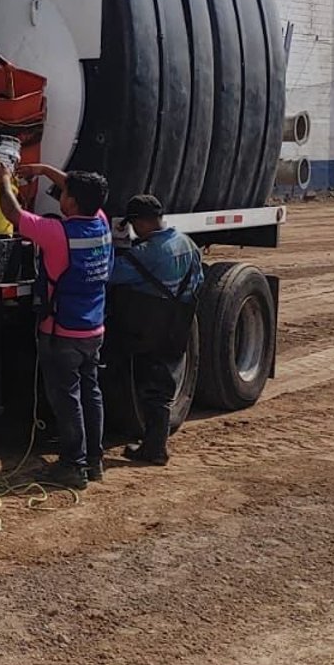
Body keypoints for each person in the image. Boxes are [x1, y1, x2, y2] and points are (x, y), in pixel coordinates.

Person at [0, 161, 112, 489]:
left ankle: (72, 466)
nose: (62, 193)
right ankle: (93, 461)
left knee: (67, 399)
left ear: (71, 202)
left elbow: (14, 215)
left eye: (65, 193)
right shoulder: (100, 223)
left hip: (61, 333)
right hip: (93, 329)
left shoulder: (58, 234)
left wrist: (4, 181)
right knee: (92, 394)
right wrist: (44, 170)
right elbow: (83, 192)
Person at [108, 193, 202, 465]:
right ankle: (154, 444)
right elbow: (199, 280)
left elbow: (111, 274)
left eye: (134, 224)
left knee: (153, 390)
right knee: (165, 383)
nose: (134, 230)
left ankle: (155, 449)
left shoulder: (146, 254)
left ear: (142, 222)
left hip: (150, 327)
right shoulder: (188, 243)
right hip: (179, 323)